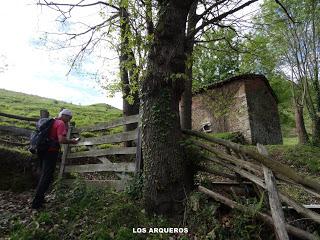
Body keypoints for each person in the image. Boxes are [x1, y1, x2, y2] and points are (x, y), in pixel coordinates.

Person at [31, 109, 79, 209]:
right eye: (69, 118)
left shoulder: (51, 121)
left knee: (43, 174)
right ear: (65, 116)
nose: (69, 120)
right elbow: (61, 140)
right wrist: (72, 141)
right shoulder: (60, 123)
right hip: (51, 152)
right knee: (46, 176)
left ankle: (40, 198)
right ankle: (36, 203)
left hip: (42, 150)